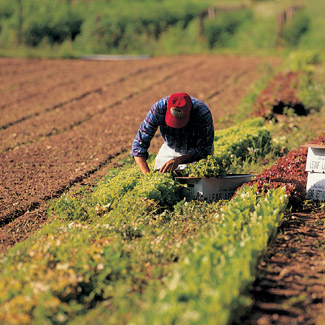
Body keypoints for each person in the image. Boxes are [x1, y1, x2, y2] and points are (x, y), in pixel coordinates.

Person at [132, 92, 214, 174]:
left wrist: (179, 160)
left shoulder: (202, 114)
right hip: (170, 149)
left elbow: (204, 150)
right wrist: (147, 175)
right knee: (161, 174)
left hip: (195, 152)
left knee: (194, 181)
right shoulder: (159, 109)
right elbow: (139, 144)